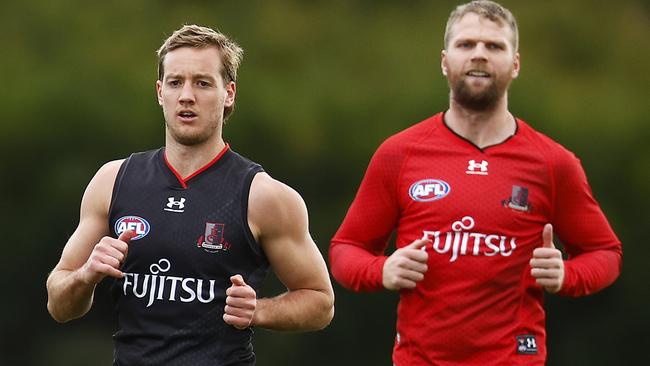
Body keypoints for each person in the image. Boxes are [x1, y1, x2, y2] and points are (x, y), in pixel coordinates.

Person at [329, 1, 622, 365]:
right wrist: (381, 269)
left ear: (515, 64)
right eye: (466, 45)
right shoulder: (399, 153)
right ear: (444, 60)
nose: (479, 55)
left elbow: (606, 254)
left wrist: (568, 274)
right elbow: (346, 249)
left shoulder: (553, 163)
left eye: (494, 46)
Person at [46, 24, 334, 365]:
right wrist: (87, 274)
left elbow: (320, 302)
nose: (186, 95)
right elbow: (58, 304)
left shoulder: (263, 195)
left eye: (202, 82)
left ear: (228, 93)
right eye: (175, 82)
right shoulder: (114, 180)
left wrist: (258, 310)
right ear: (159, 92)